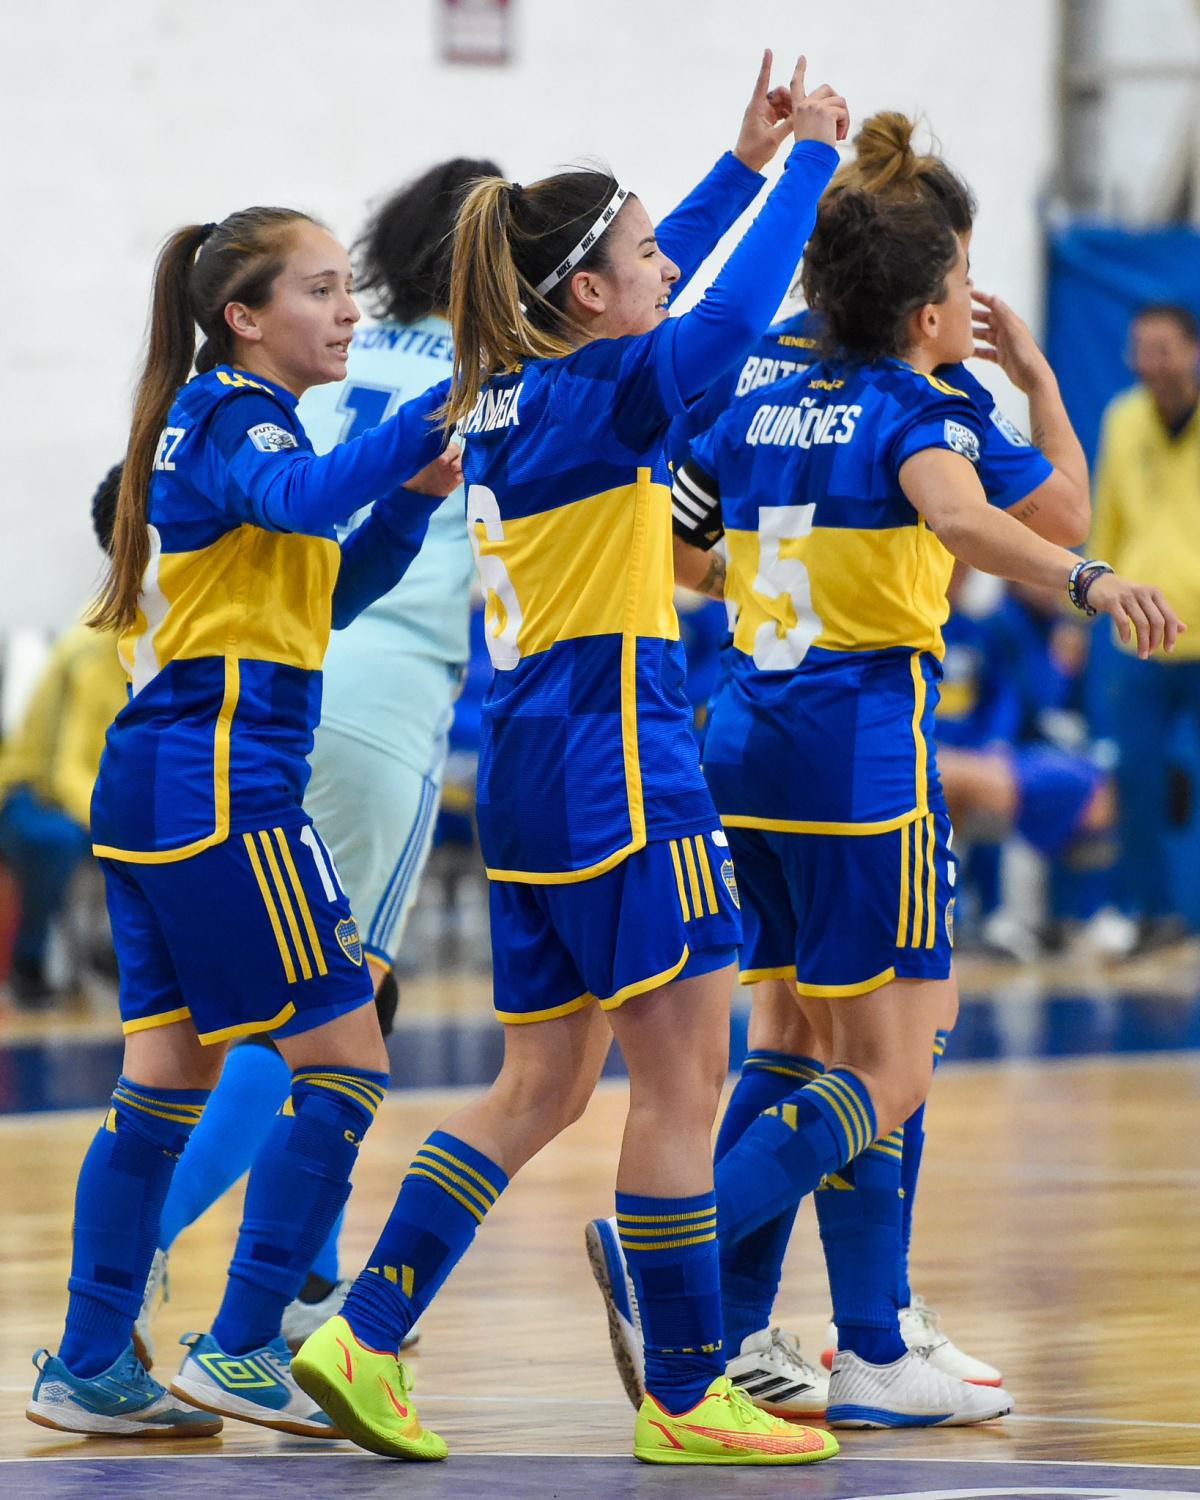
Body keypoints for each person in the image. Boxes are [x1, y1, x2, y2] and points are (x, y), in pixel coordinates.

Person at [292, 53, 851, 1468]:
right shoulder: (606, 394)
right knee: (683, 1087)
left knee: (536, 1087)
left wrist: (733, 164)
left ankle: (361, 1331)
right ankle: (685, 1391)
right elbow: (718, 320)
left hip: (528, 772)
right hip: (619, 766)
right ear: (590, 294)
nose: (665, 266)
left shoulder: (506, 394)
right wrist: (805, 168)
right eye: (643, 250)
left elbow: (647, 284)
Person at [651, 177, 1181, 1430]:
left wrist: (780, 567)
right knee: (892, 1065)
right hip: (856, 764)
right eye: (957, 277)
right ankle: (697, 1275)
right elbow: (1012, 514)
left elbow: (683, 549)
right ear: (924, 305)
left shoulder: (755, 387)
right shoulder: (915, 405)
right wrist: (1091, 572)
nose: (967, 294)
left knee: (793, 1044)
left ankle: (769, 1338)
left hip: (744, 749)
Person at [27, 205, 462, 1439]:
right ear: (243, 317)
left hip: (164, 783)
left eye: (348, 289)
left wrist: (412, 495)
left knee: (162, 1083)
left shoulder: (219, 425)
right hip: (226, 785)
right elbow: (300, 489)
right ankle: (243, 1344)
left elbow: (322, 597)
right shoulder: (232, 415)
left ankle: (90, 1363)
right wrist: (418, 423)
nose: (349, 312)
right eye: (320, 292)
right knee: (350, 1063)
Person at [133, 156, 501, 1368]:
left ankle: (299, 1278)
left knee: (288, 1010)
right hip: (369, 690)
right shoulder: (475, 378)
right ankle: (180, 1261)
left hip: (255, 668)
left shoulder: (328, 346)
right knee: (336, 1017)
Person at [1090, 303, 1200, 947]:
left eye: (1163, 349)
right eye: (1140, 349)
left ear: (1192, 352)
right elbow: (1108, 517)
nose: (1149, 363)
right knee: (1134, 776)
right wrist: (1083, 613)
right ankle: (1155, 913)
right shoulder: (1122, 419)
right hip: (1142, 636)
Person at [0, 470, 126, 1006]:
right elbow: (64, 770)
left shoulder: (169, 647)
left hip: (97, 794)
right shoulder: (90, 647)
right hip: (30, 792)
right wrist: (114, 818)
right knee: (54, 840)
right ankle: (30, 961)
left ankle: (135, 952)